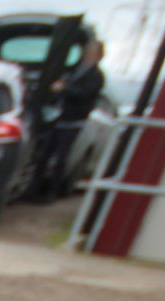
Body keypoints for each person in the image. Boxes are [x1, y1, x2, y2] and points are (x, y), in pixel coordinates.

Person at [36, 38, 104, 201]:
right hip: (58, 118)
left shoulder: (96, 76)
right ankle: (36, 189)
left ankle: (53, 192)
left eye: (92, 53)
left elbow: (84, 94)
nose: (88, 55)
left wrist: (64, 88)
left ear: (98, 55)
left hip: (74, 122)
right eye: (87, 52)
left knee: (61, 158)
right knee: (44, 155)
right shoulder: (75, 70)